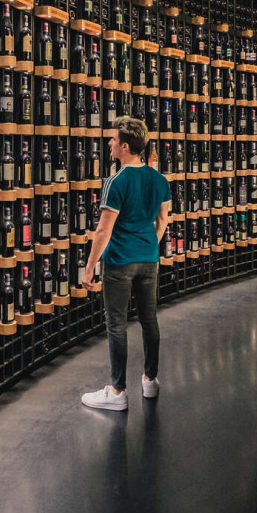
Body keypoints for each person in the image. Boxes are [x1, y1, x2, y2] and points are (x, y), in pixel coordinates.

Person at [80, 117, 172, 411]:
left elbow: (104, 231)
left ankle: (118, 392)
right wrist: (149, 244)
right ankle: (150, 380)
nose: (109, 143)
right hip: (148, 260)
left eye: (112, 140)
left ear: (125, 146)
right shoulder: (160, 180)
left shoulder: (115, 182)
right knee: (149, 320)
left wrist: (89, 267)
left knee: (116, 324)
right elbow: (162, 222)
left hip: (120, 262)